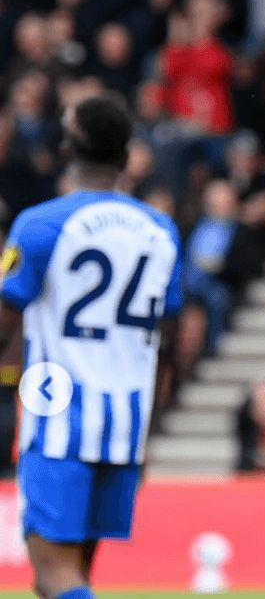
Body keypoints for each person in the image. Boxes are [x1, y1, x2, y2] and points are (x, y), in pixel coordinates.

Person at [0, 96, 183, 599]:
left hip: (58, 419)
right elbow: (168, 343)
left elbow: (4, 316)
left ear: (66, 149)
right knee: (75, 575)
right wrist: (148, 432)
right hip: (125, 426)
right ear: (127, 158)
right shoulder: (161, 232)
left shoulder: (39, 225)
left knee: (53, 575)